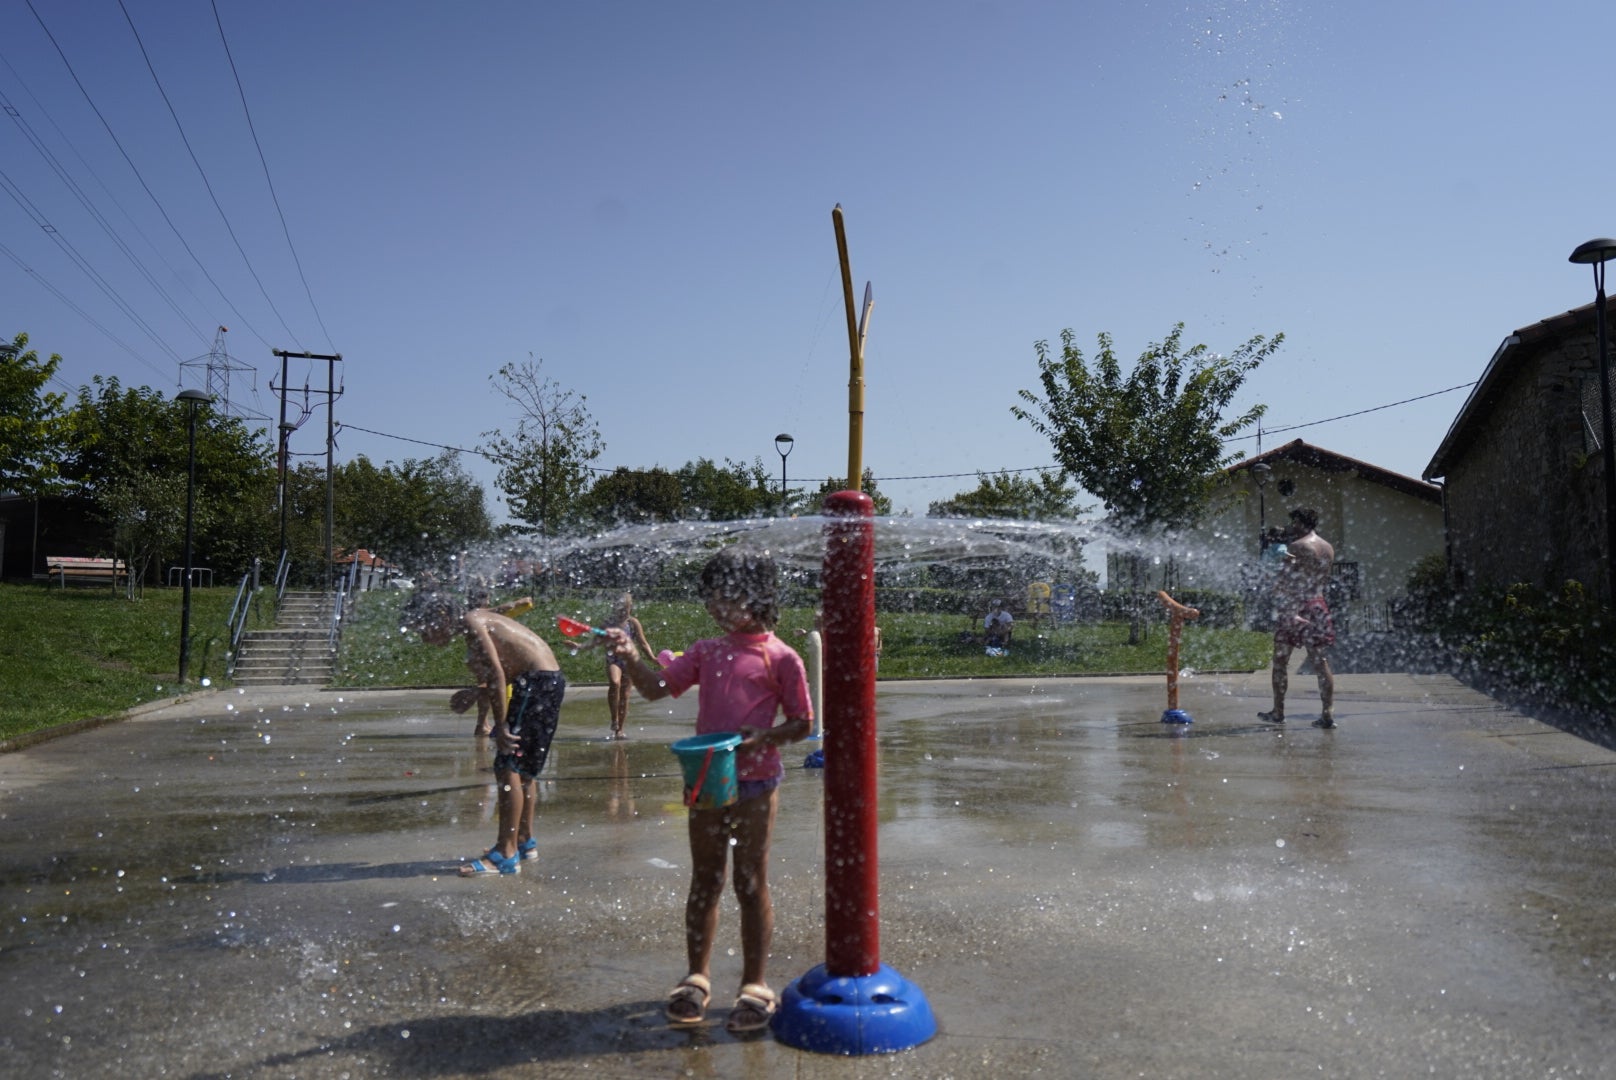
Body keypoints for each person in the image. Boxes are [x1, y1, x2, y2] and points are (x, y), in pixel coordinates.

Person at [604, 547, 812, 1034]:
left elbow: (803, 723)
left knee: (750, 880)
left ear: (756, 598)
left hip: (758, 783)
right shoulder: (707, 651)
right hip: (705, 779)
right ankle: (696, 976)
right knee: (706, 878)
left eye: (726, 597)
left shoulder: (781, 657)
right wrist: (632, 658)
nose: (715, 607)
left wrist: (768, 737)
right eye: (711, 598)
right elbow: (657, 687)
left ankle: (755, 984)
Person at [403, 590, 566, 875]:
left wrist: (501, 725)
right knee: (524, 770)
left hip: (537, 682)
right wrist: (475, 692)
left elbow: (496, 673)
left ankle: (505, 854)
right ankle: (524, 841)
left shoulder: (470, 621)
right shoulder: (476, 619)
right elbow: (503, 668)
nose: (423, 638)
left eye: (423, 629)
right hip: (546, 681)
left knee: (508, 764)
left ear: (440, 616)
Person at [1258, 507, 1337, 729]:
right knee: (1320, 662)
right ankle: (1327, 713)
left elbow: (1286, 580)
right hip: (1318, 605)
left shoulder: (1297, 547)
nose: (1291, 527)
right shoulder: (1327, 548)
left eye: (1294, 523)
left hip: (1296, 606)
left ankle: (1278, 712)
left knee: (1281, 661)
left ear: (1301, 523)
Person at [602, 593, 654, 740]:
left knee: (625, 695)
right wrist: (579, 646)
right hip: (613, 659)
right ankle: (614, 719)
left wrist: (652, 657)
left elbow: (643, 643)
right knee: (614, 682)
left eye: (628, 608)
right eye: (623, 608)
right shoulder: (609, 622)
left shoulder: (633, 623)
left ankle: (620, 730)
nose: (626, 611)